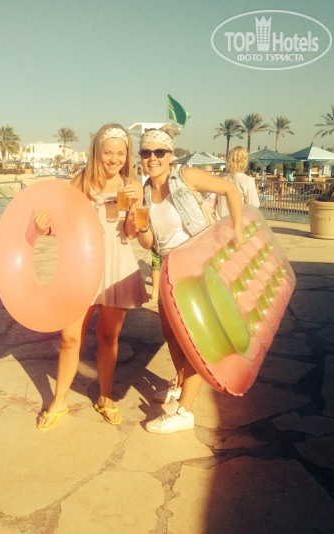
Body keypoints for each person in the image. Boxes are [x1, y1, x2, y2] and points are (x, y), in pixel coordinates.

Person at [34, 123, 148, 430]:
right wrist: (45, 226)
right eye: (108, 152)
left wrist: (136, 208)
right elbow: (63, 223)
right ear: (97, 151)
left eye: (120, 154)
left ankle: (105, 398)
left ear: (127, 155)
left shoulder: (130, 185)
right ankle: (59, 401)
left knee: (109, 337)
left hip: (116, 264)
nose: (114, 159)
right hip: (82, 265)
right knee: (70, 337)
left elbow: (130, 233)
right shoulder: (81, 182)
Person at [134, 125, 244, 434]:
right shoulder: (143, 192)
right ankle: (180, 384)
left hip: (196, 266)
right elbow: (148, 243)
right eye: (146, 152)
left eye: (159, 152)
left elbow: (230, 190)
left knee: (192, 339)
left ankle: (184, 411)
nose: (153, 158)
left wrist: (237, 228)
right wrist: (140, 225)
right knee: (171, 334)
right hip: (168, 268)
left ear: (170, 155)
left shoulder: (186, 176)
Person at [216, 146, 260, 218]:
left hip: (220, 220)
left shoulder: (219, 178)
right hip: (237, 220)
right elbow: (254, 205)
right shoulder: (247, 180)